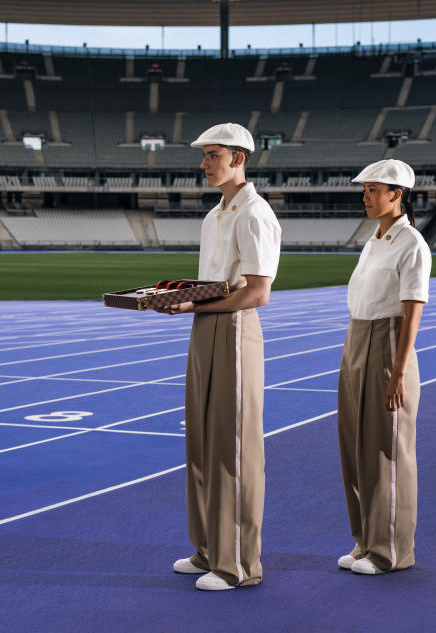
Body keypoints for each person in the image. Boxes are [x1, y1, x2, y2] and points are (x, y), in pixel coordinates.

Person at [154, 123, 281, 591]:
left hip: (234, 329)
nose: (205, 164)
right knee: (202, 443)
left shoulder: (255, 214)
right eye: (205, 156)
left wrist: (196, 303)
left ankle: (239, 565)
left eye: (213, 155)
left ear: (239, 159)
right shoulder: (214, 216)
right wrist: (179, 294)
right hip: (204, 327)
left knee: (234, 448)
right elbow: (216, 282)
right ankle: (208, 549)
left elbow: (258, 293)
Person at [336, 158, 431, 575]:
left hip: (388, 342)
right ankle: (365, 540)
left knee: (386, 451)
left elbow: (412, 314)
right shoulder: (374, 240)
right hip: (356, 338)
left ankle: (391, 550)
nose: (366, 196)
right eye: (365, 190)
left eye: (374, 190)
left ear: (397, 194)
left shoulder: (412, 245)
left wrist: (397, 373)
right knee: (356, 448)